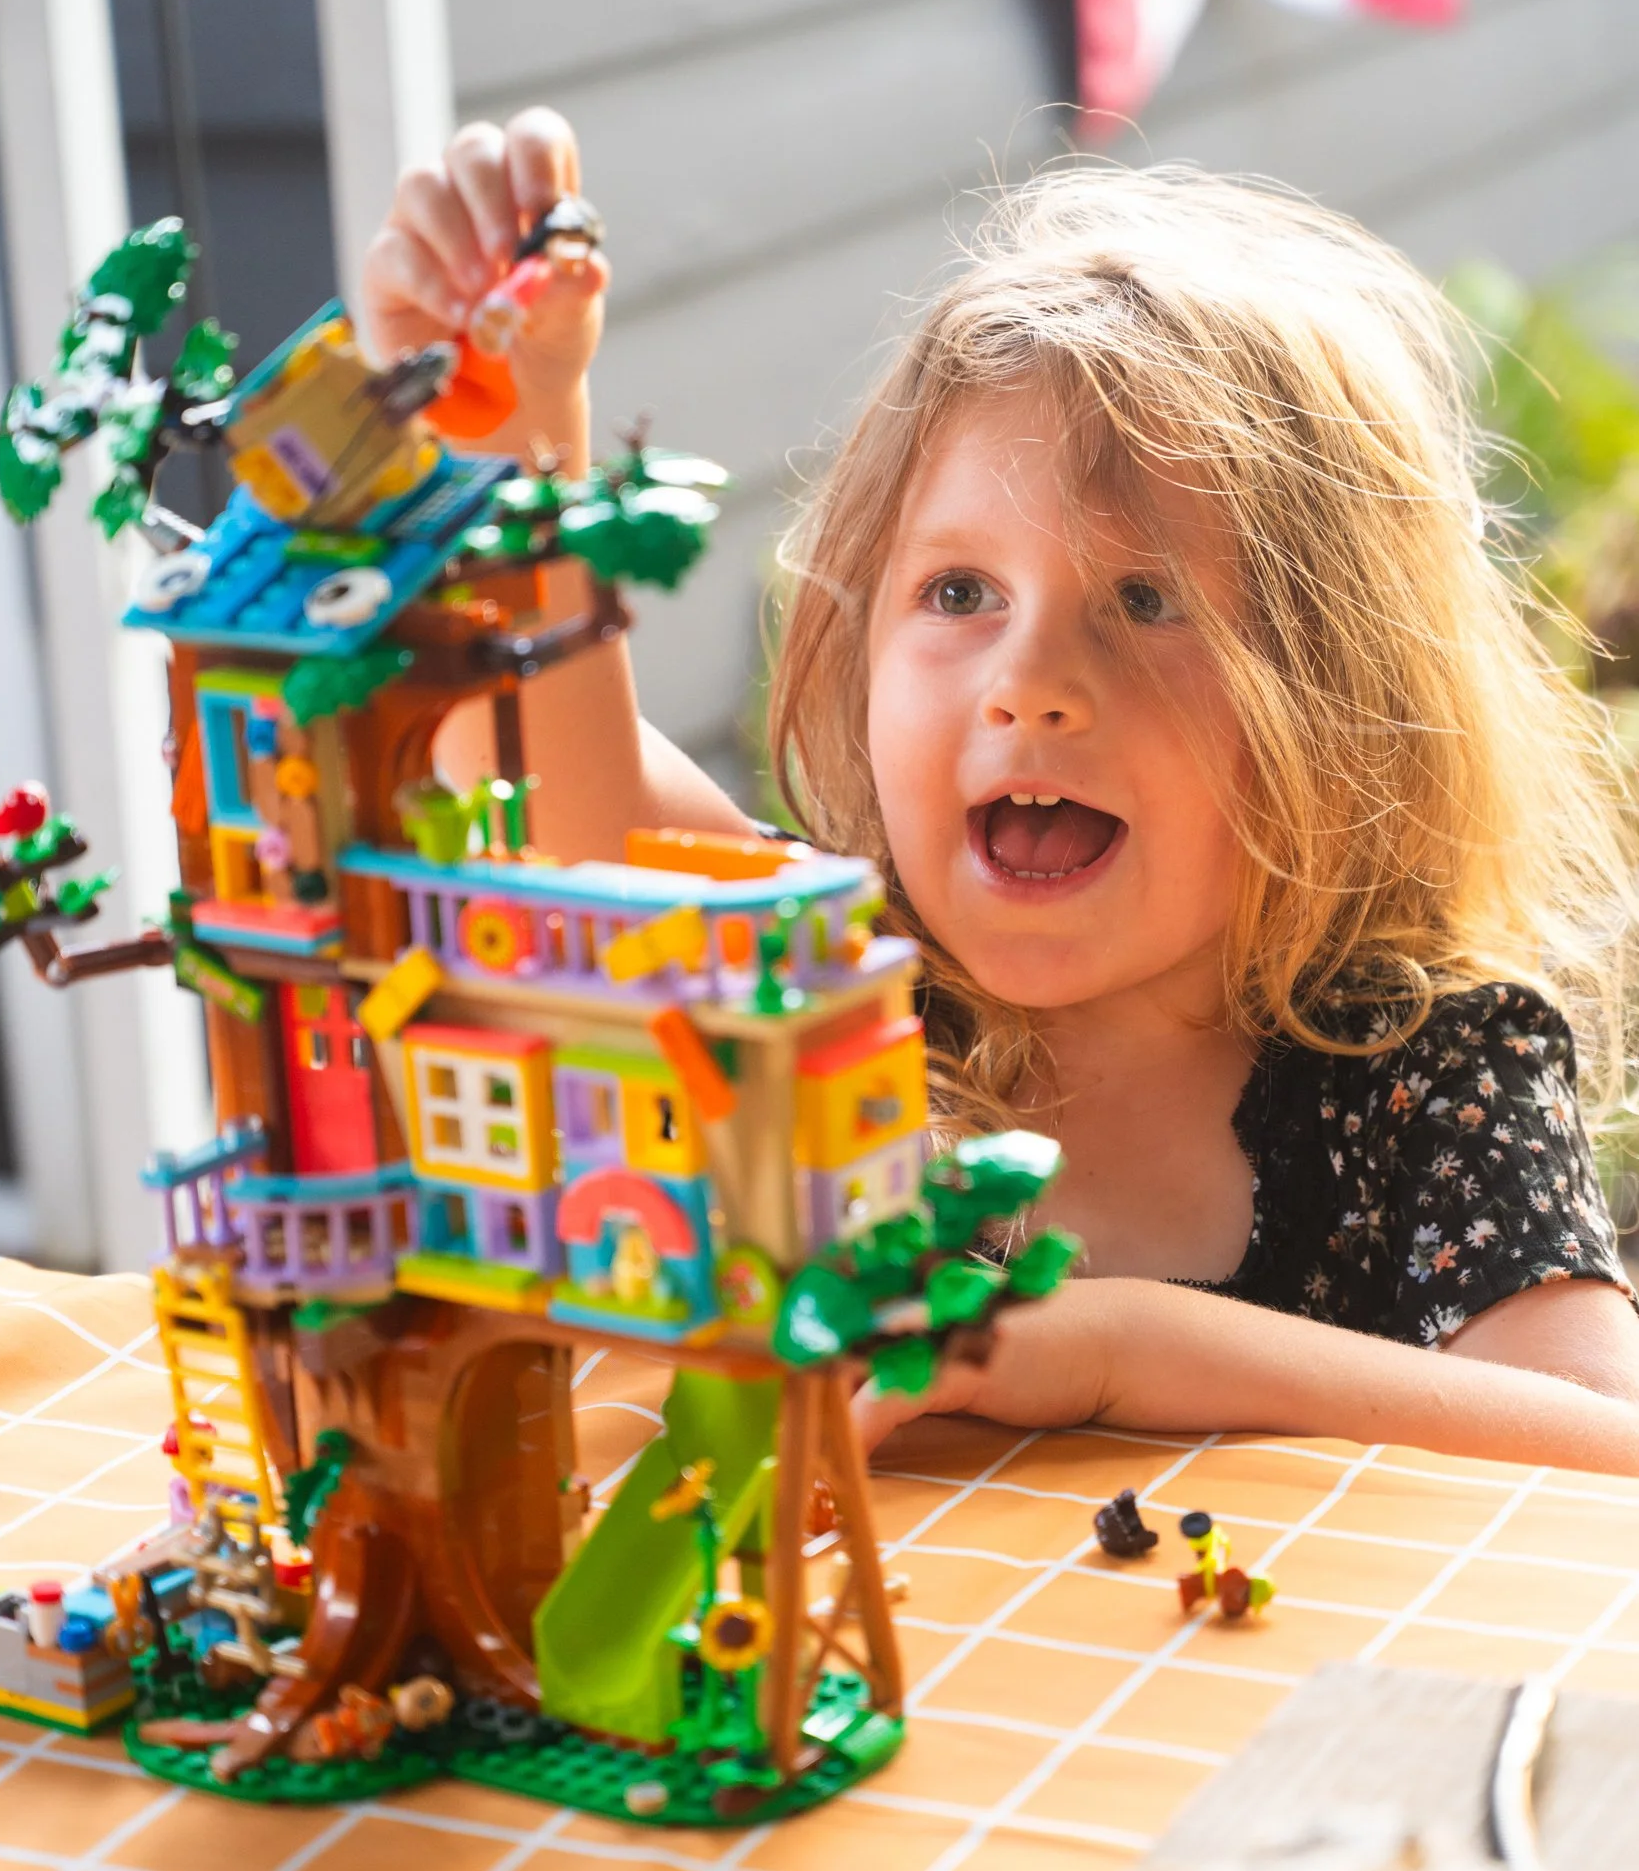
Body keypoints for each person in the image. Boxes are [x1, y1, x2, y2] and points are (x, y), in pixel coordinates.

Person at [362, 110, 1639, 1476]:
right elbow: (537, 777)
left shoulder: (1418, 1073)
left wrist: (1125, 1350)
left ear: (1337, 697)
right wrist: (513, 433)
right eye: (959, 591)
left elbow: (1606, 1454)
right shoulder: (831, 968)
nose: (1028, 686)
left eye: (1144, 600)